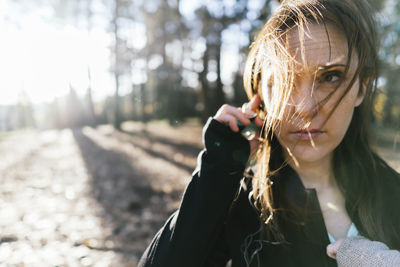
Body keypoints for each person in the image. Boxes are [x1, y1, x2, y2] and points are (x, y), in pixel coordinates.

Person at [138, 0, 400, 266]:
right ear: (261, 94)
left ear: (362, 88)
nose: (306, 108)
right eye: (285, 79)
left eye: (330, 76)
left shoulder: (394, 192)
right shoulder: (237, 205)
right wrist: (216, 175)